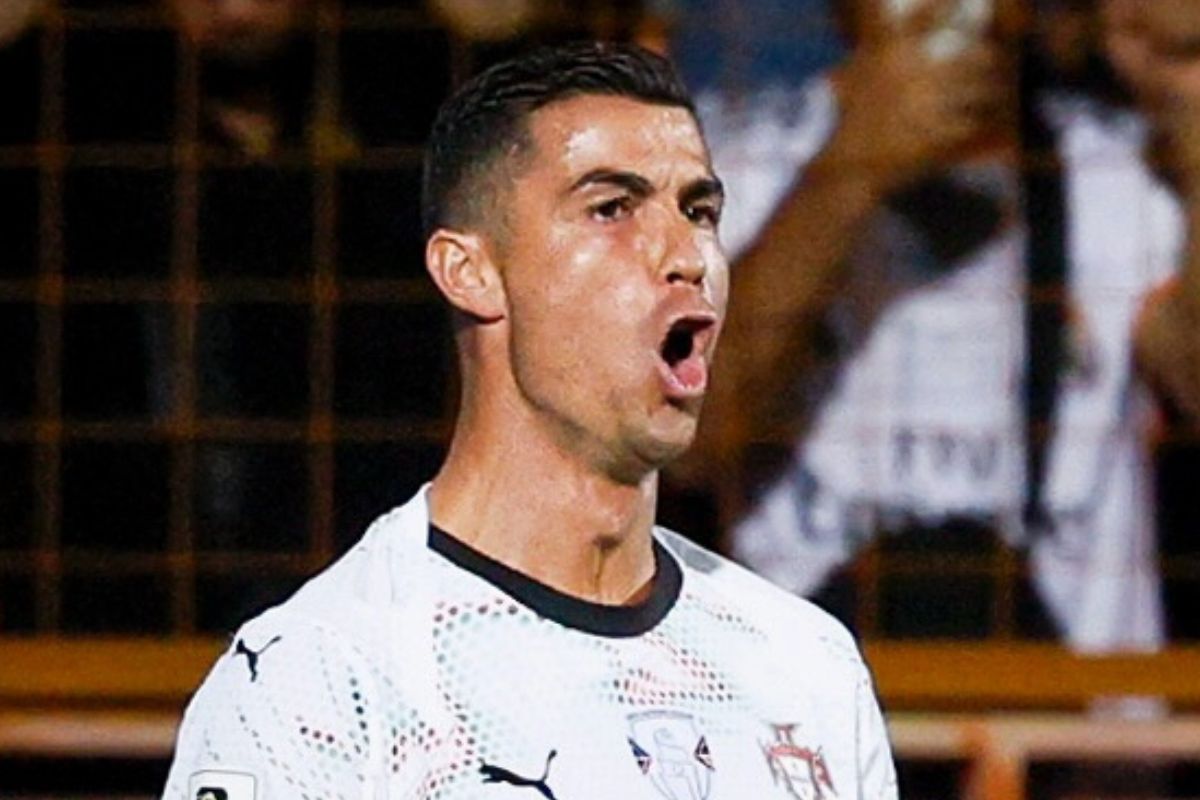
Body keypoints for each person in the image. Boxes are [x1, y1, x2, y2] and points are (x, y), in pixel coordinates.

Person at [161, 41, 898, 799]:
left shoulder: (804, 671)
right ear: (470, 272)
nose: (687, 254)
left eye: (699, 211)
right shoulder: (320, 683)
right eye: (612, 208)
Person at [679, 0, 1176, 648]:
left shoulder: (1123, 171)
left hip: (1067, 696)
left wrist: (1187, 91)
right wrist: (852, 168)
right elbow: (680, 446)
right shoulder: (721, 169)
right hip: (802, 688)